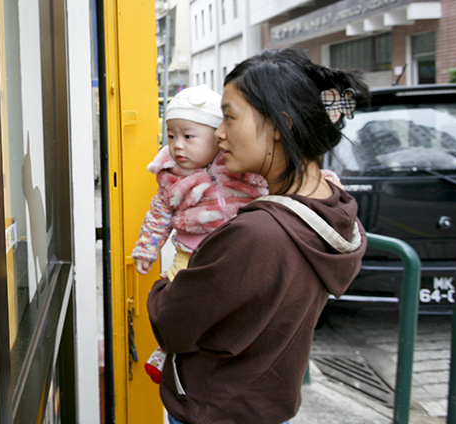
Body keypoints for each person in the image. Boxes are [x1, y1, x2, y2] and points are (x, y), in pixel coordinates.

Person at [147, 47, 369, 424]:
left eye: (229, 118)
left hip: (214, 410)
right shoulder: (334, 207)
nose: (218, 134)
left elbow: (172, 325)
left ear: (281, 126)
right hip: (267, 404)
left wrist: (166, 286)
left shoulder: (257, 233)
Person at [131, 85, 268, 382]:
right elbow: (158, 216)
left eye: (188, 136)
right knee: (181, 304)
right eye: (171, 136)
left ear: (218, 136)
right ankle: (167, 351)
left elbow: (270, 182)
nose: (177, 145)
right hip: (189, 255)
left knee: (234, 301)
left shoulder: (238, 166)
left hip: (234, 249)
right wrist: (146, 249)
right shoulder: (169, 177)